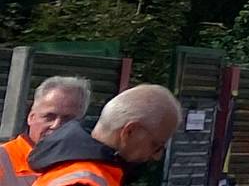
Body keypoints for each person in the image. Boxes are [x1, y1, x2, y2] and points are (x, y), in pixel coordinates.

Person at [25, 83, 178, 186]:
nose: (156, 156)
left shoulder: (75, 167)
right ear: (130, 132)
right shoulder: (85, 182)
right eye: (156, 145)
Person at [4, 77, 90, 186]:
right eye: (49, 117)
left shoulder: (87, 169)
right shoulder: (3, 159)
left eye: (67, 120)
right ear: (31, 117)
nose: (56, 126)